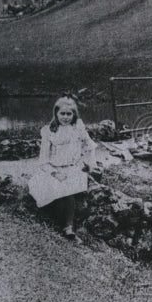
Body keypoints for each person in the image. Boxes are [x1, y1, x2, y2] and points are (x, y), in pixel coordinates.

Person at [28, 96, 99, 240]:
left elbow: (89, 145)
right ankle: (58, 222)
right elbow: (43, 160)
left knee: (69, 191)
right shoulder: (49, 131)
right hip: (53, 169)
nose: (66, 117)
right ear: (56, 114)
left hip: (73, 168)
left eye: (69, 114)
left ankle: (68, 227)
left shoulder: (77, 127)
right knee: (56, 190)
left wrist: (88, 164)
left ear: (74, 115)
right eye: (62, 114)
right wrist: (54, 173)